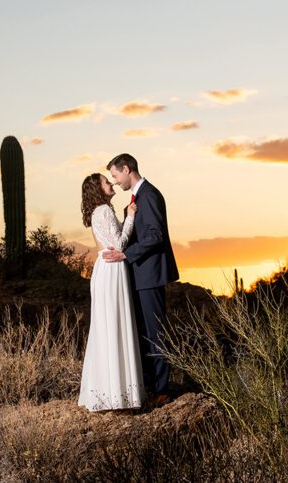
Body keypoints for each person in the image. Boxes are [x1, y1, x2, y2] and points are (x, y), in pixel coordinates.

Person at [102, 153, 180, 409]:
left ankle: (162, 390)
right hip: (139, 275)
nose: (114, 181)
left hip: (150, 274)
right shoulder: (136, 199)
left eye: (115, 175)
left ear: (126, 169)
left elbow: (156, 235)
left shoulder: (150, 195)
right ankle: (149, 386)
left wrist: (127, 253)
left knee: (155, 332)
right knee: (144, 332)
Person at [77, 172, 145, 411]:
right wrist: (130, 218)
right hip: (112, 268)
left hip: (103, 269)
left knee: (106, 326)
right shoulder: (104, 211)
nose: (112, 182)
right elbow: (118, 244)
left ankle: (107, 391)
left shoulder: (98, 212)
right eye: (107, 181)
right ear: (98, 189)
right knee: (116, 324)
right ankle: (119, 395)